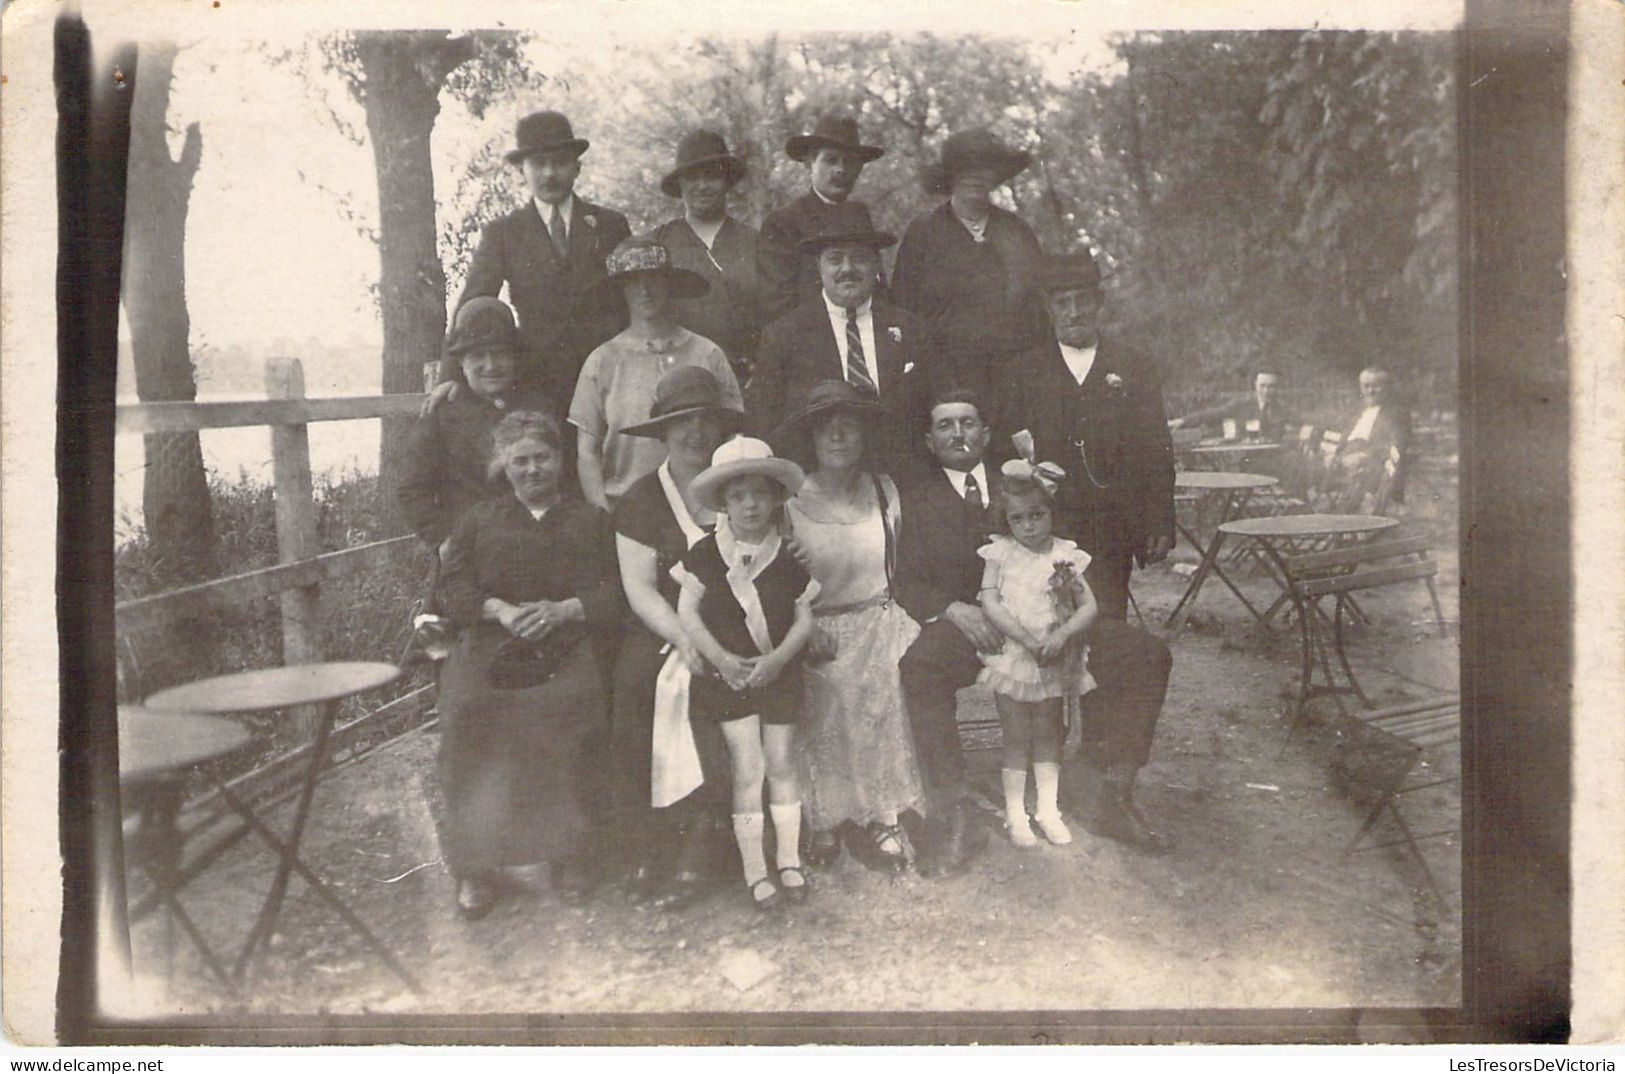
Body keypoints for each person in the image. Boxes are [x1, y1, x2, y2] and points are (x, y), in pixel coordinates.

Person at [896, 390, 1174, 864]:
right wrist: (951, 609)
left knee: (1145, 653)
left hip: (1049, 626)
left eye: (968, 422)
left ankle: (1114, 792)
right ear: (929, 439)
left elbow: (1070, 548)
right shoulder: (914, 498)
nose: (958, 433)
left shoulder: (1026, 484)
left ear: (985, 433)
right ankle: (955, 806)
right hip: (975, 626)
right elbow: (900, 574)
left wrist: (1067, 613)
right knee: (920, 665)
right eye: (946, 425)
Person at [433, 411, 624, 919]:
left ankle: (570, 855)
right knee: (469, 713)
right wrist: (501, 610)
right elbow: (451, 589)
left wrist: (563, 610)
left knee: (572, 708)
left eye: (542, 458)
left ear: (560, 461)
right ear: (503, 466)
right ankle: (477, 866)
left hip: (565, 645)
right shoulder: (479, 520)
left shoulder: (591, 521)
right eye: (520, 460)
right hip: (493, 643)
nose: (532, 470)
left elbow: (614, 592)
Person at [774, 380, 924, 873]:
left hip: (878, 620)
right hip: (819, 628)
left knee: (884, 695)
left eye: (849, 425)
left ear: (863, 434)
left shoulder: (885, 491)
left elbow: (898, 565)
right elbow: (778, 582)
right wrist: (806, 622)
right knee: (825, 704)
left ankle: (883, 817)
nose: (837, 435)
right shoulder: (790, 505)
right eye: (825, 427)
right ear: (811, 438)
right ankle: (825, 820)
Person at [609, 366, 742, 910]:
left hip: (739, 624)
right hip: (664, 626)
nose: (695, 433)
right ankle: (652, 838)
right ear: (663, 431)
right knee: (640, 685)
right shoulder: (642, 499)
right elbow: (640, 590)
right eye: (682, 422)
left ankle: (705, 839)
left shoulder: (741, 486)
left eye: (705, 421)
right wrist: (685, 637)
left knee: (717, 691)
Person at [676, 438, 818, 910]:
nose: (750, 504)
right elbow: (688, 613)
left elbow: (804, 618)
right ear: (723, 503)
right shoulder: (704, 554)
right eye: (737, 496)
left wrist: (779, 659)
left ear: (776, 497)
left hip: (778, 672)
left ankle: (789, 859)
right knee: (748, 768)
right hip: (730, 676)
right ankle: (755, 870)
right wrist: (720, 658)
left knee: (781, 764)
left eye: (759, 493)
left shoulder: (787, 554)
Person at [997, 251, 1176, 623]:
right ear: (1049, 308)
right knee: (1046, 622)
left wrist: (1159, 518)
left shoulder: (1132, 365)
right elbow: (1006, 451)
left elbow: (1156, 448)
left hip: (1111, 524)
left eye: (1082, 300)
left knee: (1106, 623)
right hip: (1045, 524)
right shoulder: (1025, 370)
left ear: (1098, 303)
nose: (1073, 312)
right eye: (1063, 303)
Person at [442, 111, 633, 416]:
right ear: (521, 170)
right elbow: (472, 306)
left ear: (577, 167)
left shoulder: (610, 225)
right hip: (537, 384)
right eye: (538, 164)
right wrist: (451, 375)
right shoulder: (503, 233)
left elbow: (633, 299)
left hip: (608, 377)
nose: (549, 173)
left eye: (559, 162)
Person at [746, 201, 930, 474]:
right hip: (816, 486)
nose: (847, 268)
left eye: (859, 258)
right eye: (835, 259)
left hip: (903, 479)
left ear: (876, 264)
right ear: (819, 267)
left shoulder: (911, 329)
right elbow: (766, 422)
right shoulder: (783, 335)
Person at [569, 236, 742, 510]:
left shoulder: (707, 353)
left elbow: (735, 436)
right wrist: (604, 515)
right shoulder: (603, 361)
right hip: (628, 511)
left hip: (705, 509)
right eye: (633, 282)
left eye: (654, 279)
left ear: (669, 283)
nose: (645, 291)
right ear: (621, 290)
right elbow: (587, 452)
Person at [976, 460, 1098, 848]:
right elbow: (990, 603)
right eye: (1018, 519)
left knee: (1048, 734)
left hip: (1054, 654)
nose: (1028, 526)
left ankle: (1047, 809)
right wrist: (1026, 641)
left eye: (1036, 515)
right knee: (1015, 735)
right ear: (1006, 521)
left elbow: (1089, 607)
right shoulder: (1000, 554)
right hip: (1015, 654)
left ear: (1051, 513)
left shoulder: (1064, 556)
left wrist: (1062, 636)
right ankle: (1016, 814)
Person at [889, 128, 1047, 404]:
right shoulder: (924, 232)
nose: (974, 175)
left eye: (985, 166)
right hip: (944, 379)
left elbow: (1037, 310)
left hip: (1013, 379)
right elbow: (902, 310)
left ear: (997, 174)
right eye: (965, 167)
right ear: (950, 174)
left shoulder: (1016, 231)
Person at [398, 298, 545, 554]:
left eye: (499, 353)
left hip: (539, 544)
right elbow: (412, 489)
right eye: (478, 356)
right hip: (474, 548)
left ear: (514, 356)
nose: (490, 366)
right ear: (461, 363)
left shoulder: (539, 407)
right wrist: (443, 540)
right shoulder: (443, 414)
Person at [652, 130, 761, 383]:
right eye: (692, 177)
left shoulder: (756, 242)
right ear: (680, 184)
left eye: (712, 176)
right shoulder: (658, 243)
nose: (702, 186)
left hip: (751, 379)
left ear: (727, 181)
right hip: (679, 379)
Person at [757, 113, 886, 324]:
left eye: (849, 161)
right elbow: (777, 304)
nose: (840, 170)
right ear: (809, 164)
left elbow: (877, 287)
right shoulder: (783, 222)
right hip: (809, 342)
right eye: (831, 160)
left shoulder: (860, 215)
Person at [1331, 365, 1413, 504]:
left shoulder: (1396, 413)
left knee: (1355, 473)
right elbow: (1340, 432)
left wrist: (1365, 456)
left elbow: (1398, 444)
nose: (1371, 391)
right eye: (1366, 386)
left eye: (1376, 386)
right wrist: (1335, 455)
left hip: (1373, 462)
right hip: (1347, 456)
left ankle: (1345, 510)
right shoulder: (1356, 410)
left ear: (1386, 388)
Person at [1171, 368, 1298, 442]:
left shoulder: (1283, 408)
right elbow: (1213, 414)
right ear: (1255, 385)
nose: (1266, 391)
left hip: (1275, 458)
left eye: (1271, 387)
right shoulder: (1242, 404)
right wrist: (1182, 421)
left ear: (1277, 388)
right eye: (1262, 386)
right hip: (1248, 459)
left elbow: (1302, 419)